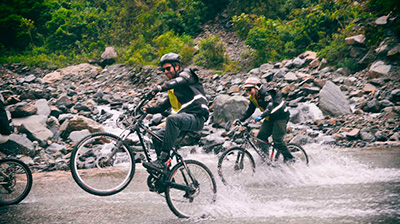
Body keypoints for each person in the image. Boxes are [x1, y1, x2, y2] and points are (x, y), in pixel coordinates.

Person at [142, 53, 209, 170]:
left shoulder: (187, 75)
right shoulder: (174, 91)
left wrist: (159, 88)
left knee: (172, 119)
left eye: (168, 68)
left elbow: (179, 81)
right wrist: (145, 109)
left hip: (197, 118)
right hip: (184, 120)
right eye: (163, 70)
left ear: (177, 66)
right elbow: (161, 107)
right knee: (156, 137)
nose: (165, 72)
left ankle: (162, 160)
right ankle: (164, 173)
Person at [234, 77, 295, 163]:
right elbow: (250, 110)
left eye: (249, 89)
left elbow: (269, 107)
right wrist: (241, 119)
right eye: (246, 90)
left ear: (256, 88)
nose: (248, 92)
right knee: (261, 138)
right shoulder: (253, 97)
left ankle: (290, 159)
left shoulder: (266, 93)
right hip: (269, 118)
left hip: (281, 117)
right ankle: (266, 160)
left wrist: (260, 117)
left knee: (277, 140)